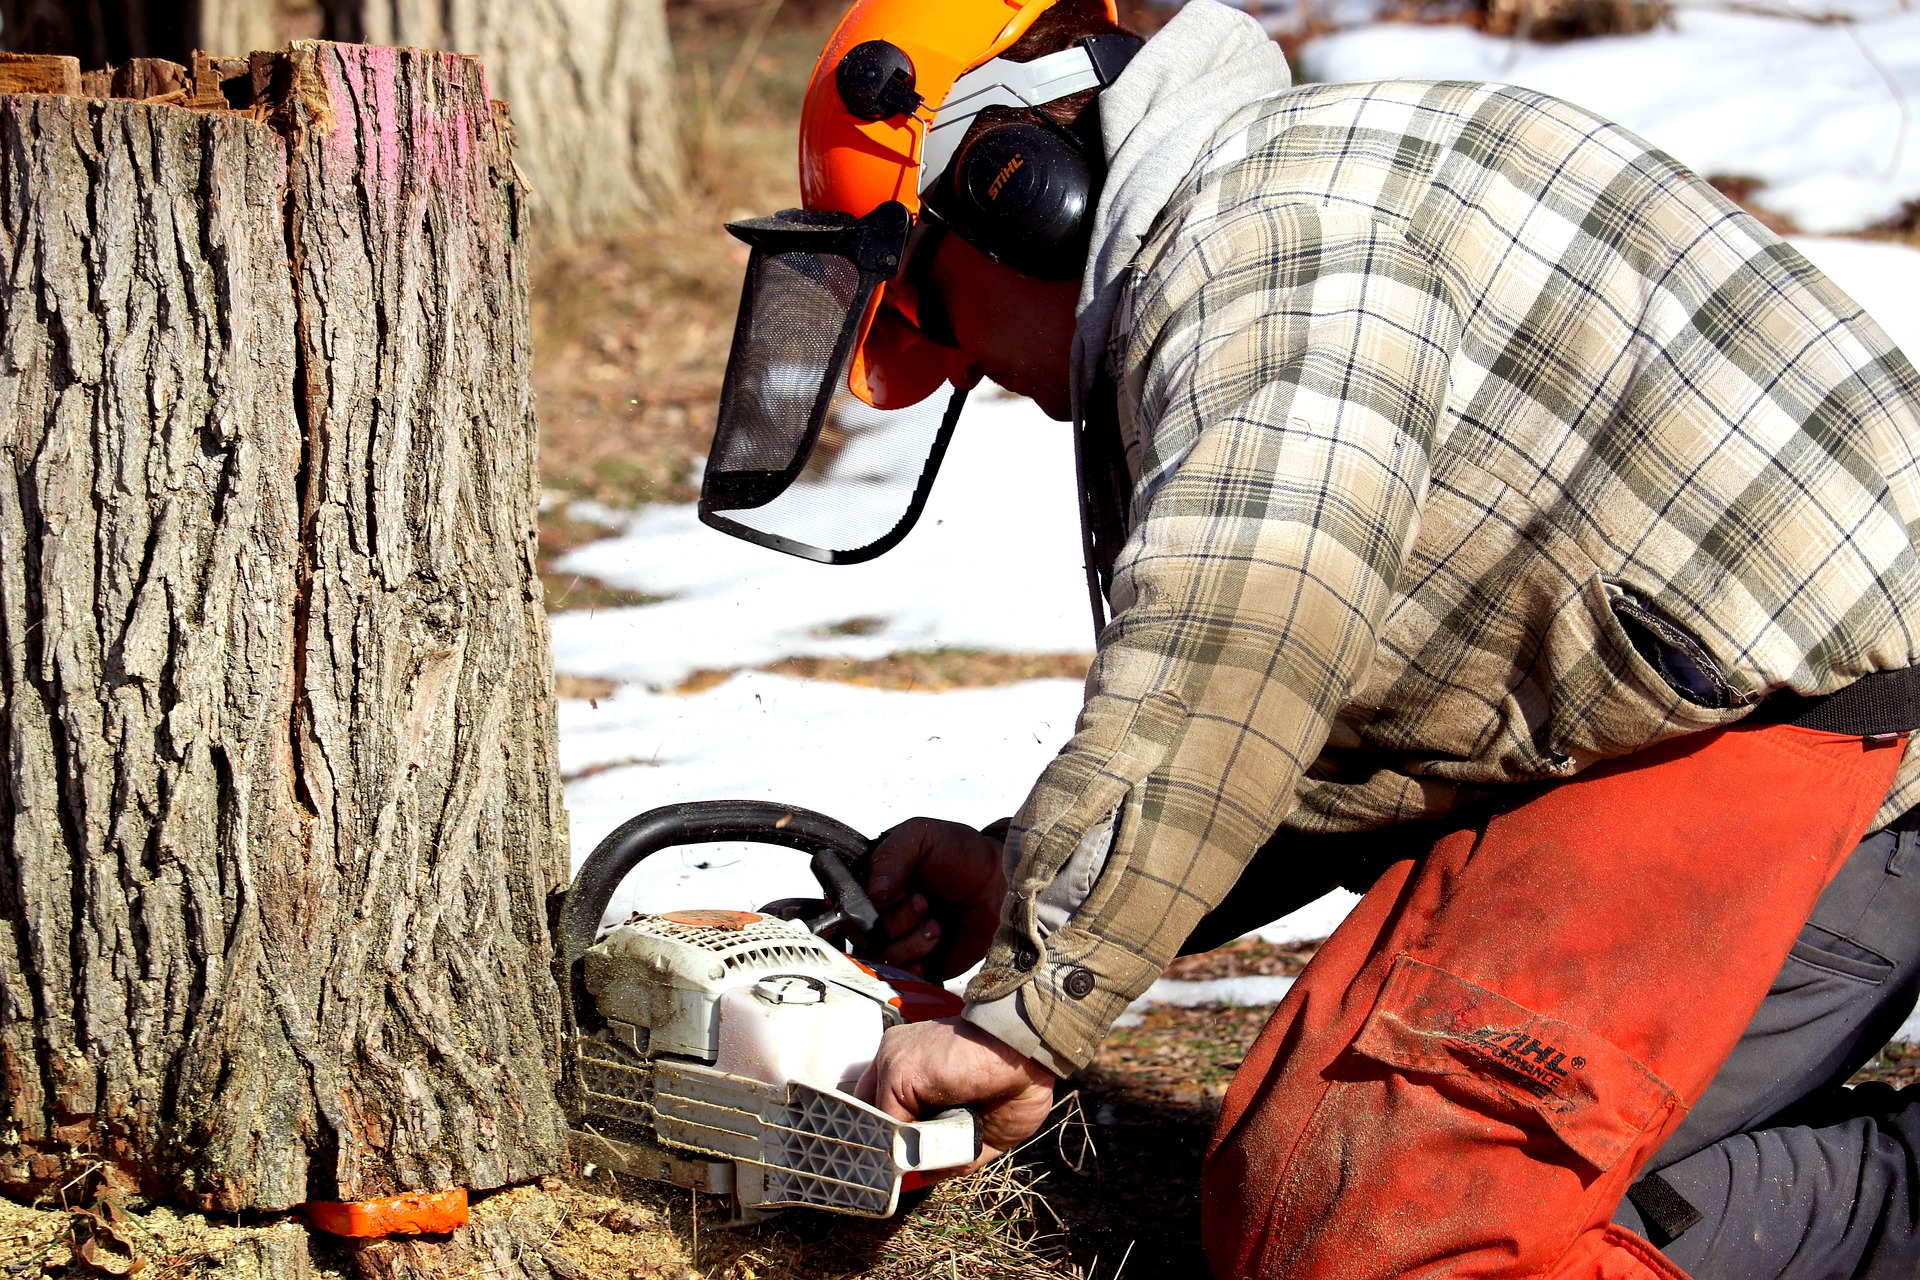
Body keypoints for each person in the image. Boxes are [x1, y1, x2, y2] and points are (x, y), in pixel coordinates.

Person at [695, 0, 1920, 1274]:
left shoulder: (1271, 238)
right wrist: (1026, 881)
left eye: (928, 312)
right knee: (1334, 1194)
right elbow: (1316, 719)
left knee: (1367, 1228)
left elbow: (1248, 633)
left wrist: (1015, 1027)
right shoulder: (1277, 220)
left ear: (1018, 191)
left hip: (1837, 745)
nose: (956, 367)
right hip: (1696, 719)